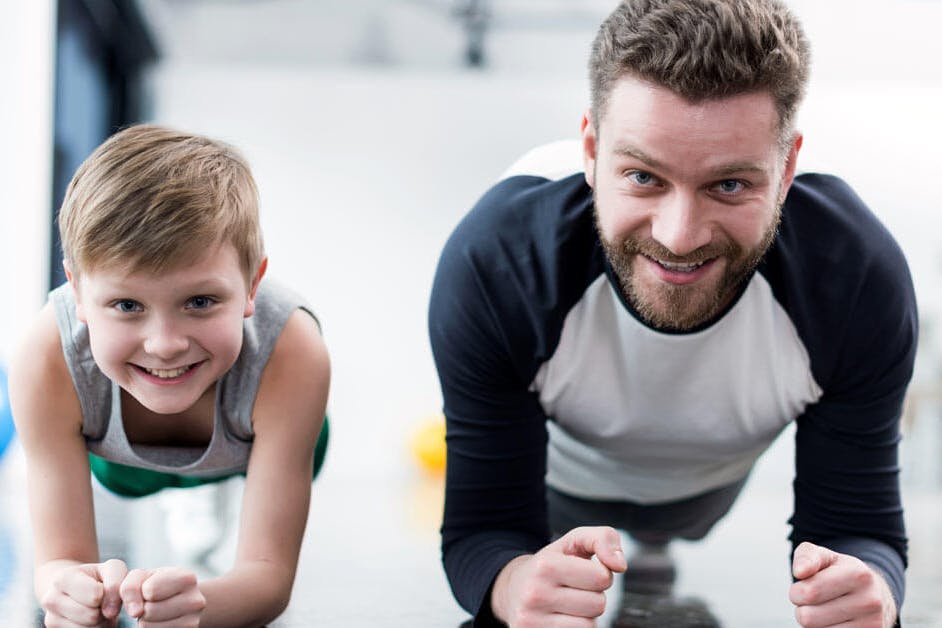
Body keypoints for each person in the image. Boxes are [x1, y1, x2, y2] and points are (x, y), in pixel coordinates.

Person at [428, 1, 916, 626]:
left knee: (673, 524)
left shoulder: (856, 277)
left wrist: (869, 586)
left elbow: (860, 526)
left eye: (730, 185)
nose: (680, 237)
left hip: (704, 491)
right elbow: (483, 528)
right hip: (563, 473)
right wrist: (512, 580)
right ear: (590, 150)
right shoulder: (497, 262)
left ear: (788, 167)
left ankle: (655, 542)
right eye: (642, 176)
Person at [9, 125, 330, 627]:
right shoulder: (44, 358)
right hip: (121, 465)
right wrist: (72, 593)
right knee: (124, 474)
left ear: (252, 285)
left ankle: (213, 487)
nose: (164, 343)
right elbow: (58, 561)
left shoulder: (293, 351)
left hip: (245, 445)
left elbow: (267, 577)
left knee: (310, 441)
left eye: (200, 302)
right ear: (77, 292)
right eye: (127, 304)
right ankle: (189, 491)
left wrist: (195, 609)